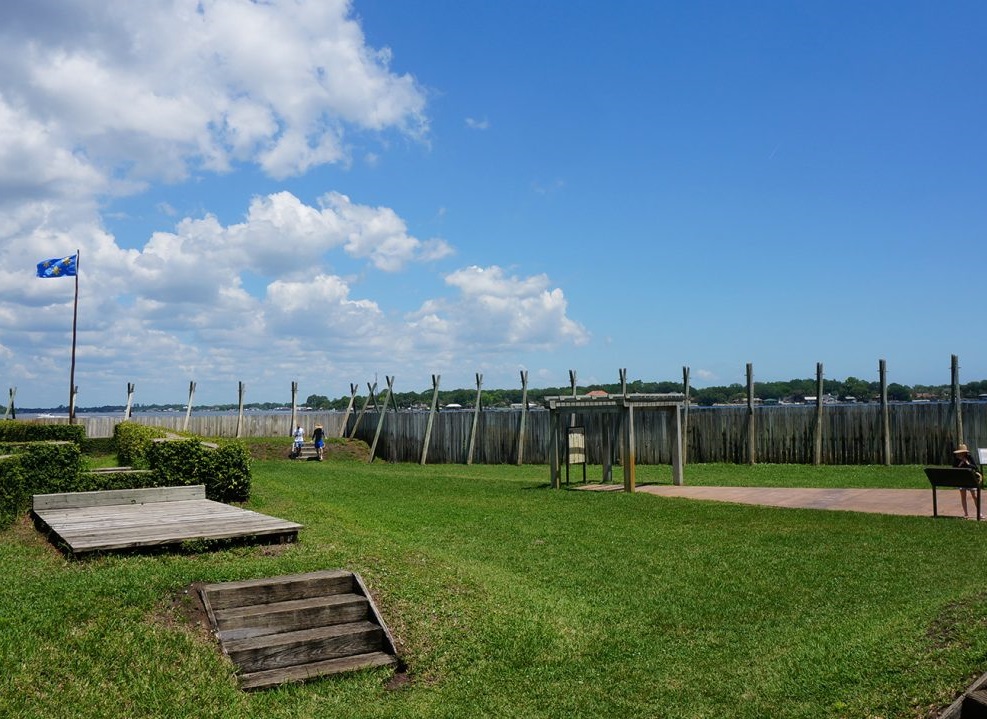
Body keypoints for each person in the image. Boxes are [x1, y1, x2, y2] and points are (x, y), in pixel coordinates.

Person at [952, 443, 983, 519]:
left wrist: (967, 463)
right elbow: (954, 468)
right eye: (960, 452)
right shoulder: (956, 459)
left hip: (970, 478)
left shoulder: (969, 457)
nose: (961, 454)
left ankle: (979, 513)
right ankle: (966, 514)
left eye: (963, 452)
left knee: (974, 496)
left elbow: (975, 467)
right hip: (962, 479)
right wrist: (960, 463)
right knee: (963, 496)